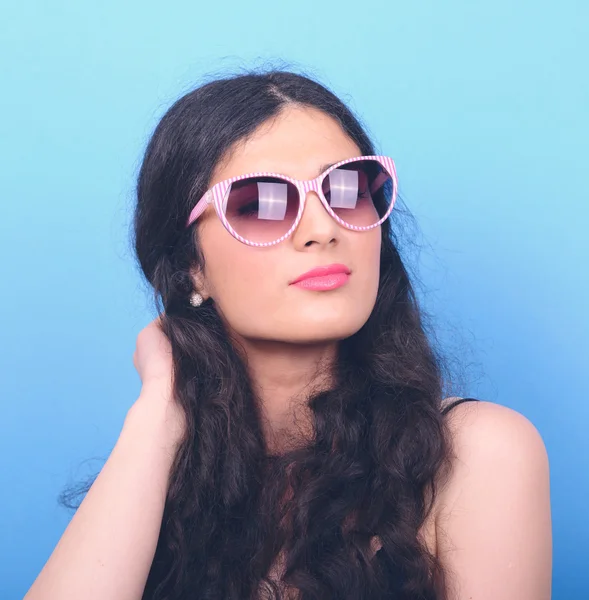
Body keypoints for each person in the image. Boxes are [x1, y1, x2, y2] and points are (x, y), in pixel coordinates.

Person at [24, 69, 552, 600]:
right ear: (192, 268)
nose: (324, 229)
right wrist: (158, 413)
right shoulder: (166, 479)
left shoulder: (479, 454)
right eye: (260, 204)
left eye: (347, 189)